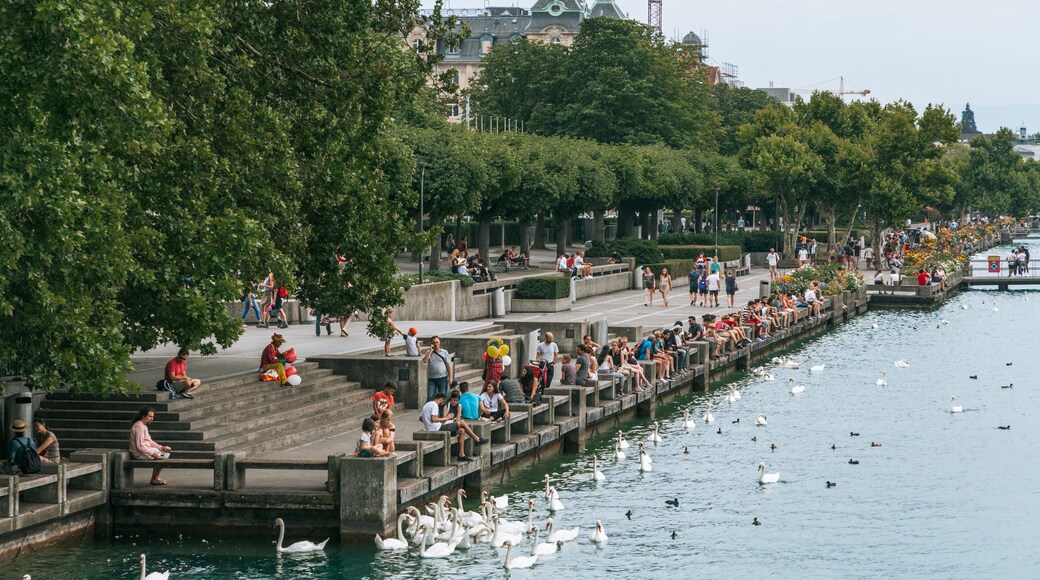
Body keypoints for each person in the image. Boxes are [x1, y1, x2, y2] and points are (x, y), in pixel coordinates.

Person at [420, 392, 486, 462]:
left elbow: (421, 418)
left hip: (435, 427)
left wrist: (428, 424)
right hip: (437, 428)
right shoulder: (434, 405)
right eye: (443, 401)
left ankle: (461, 455)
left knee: (461, 431)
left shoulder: (427, 405)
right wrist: (447, 418)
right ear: (442, 399)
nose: (442, 403)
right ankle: (477, 439)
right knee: (462, 422)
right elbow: (433, 419)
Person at [130, 407, 172, 485]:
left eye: (152, 417)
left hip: (144, 451)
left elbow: (149, 441)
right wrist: (152, 454)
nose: (152, 419)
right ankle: (155, 478)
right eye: (150, 416)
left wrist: (161, 447)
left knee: (165, 452)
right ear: (143, 416)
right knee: (165, 455)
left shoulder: (143, 426)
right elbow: (140, 446)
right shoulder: (138, 426)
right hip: (139, 454)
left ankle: (155, 478)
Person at [423, 336, 453, 402]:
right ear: (431, 344)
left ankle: (442, 410)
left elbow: (448, 365)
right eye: (434, 343)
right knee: (430, 396)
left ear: (439, 343)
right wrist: (431, 350)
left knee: (442, 396)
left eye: (437, 342)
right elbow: (425, 360)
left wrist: (451, 377)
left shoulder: (444, 352)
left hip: (442, 377)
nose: (436, 344)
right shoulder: (429, 352)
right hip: (432, 378)